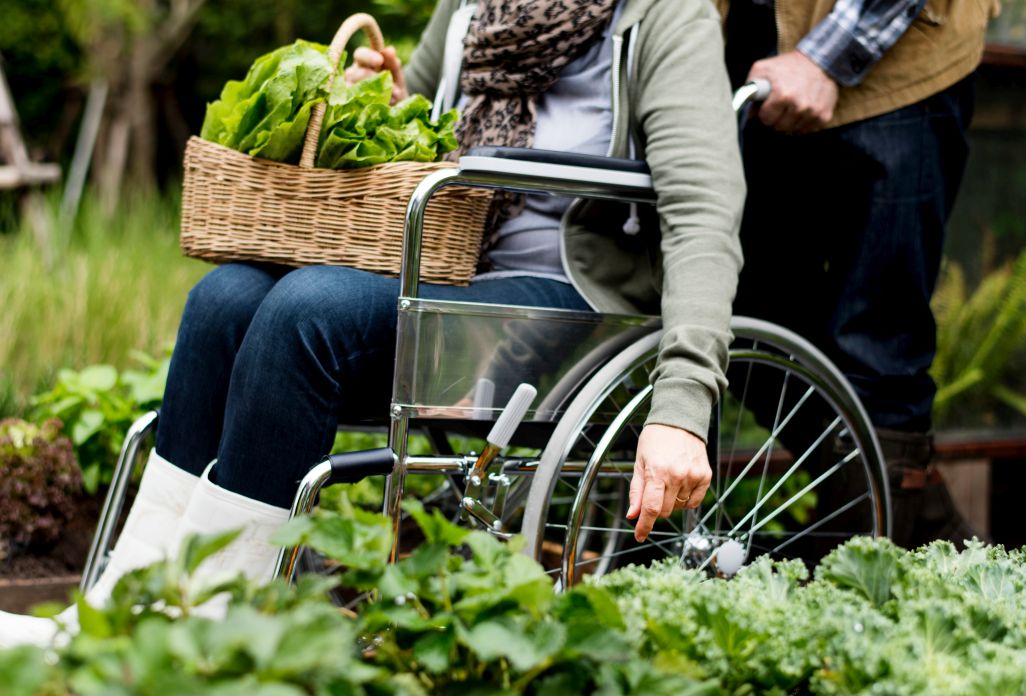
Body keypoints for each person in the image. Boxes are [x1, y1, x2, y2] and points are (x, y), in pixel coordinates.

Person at [0, 0, 744, 646]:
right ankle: (129, 600)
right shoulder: (472, 6)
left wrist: (682, 405)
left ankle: (214, 625)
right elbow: (415, 122)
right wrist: (383, 102)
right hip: (438, 269)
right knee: (223, 296)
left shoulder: (658, 16)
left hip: (562, 295)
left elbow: (703, 211)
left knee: (309, 310)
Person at [724, 0, 998, 546]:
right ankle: (925, 526)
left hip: (897, 63)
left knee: (877, 344)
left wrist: (825, 61)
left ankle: (860, 599)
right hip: (749, 65)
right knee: (733, 310)